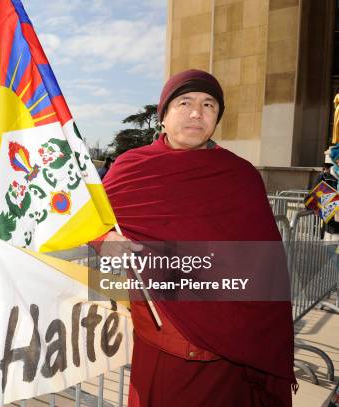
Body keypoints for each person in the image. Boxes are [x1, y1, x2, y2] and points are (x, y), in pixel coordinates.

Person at [94, 69, 296, 406]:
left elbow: (266, 264)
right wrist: (104, 240)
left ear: (217, 117)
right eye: (184, 103)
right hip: (164, 344)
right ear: (164, 115)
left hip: (230, 351)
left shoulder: (241, 175)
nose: (195, 113)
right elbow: (86, 220)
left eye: (208, 105)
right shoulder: (132, 167)